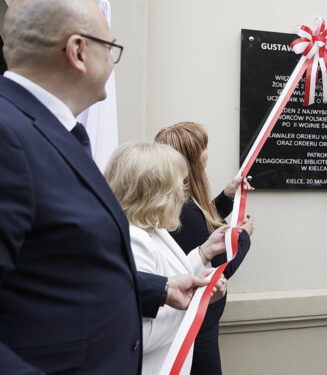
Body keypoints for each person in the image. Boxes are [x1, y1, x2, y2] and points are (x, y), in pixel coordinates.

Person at [0, 1, 205, 373]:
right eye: (110, 48)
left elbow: (62, 263)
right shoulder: (7, 136)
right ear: (78, 51)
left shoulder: (56, 132)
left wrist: (156, 289)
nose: (113, 62)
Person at [105, 142, 230, 375]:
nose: (183, 194)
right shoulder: (134, 240)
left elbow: (165, 279)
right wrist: (196, 303)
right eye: (179, 184)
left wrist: (204, 253)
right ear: (157, 191)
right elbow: (135, 337)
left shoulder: (154, 228)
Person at [155, 122, 253, 375]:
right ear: (190, 159)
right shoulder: (184, 209)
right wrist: (244, 238)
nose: (208, 153)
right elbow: (221, 266)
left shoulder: (180, 203)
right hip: (197, 331)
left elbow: (200, 228)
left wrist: (225, 199)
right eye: (204, 148)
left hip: (198, 325)